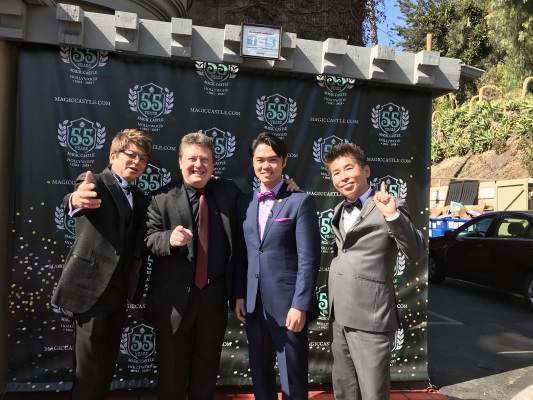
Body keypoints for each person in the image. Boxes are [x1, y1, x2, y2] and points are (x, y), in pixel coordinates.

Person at [52, 128, 153, 400]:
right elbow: (73, 201)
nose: (136, 161)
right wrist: (75, 200)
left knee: (107, 369)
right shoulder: (95, 182)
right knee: (88, 373)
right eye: (131, 154)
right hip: (89, 292)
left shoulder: (140, 198)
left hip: (119, 295)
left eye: (143, 158)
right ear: (113, 155)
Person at [323, 142, 426, 400]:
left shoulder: (389, 204)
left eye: (349, 168)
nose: (343, 177)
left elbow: (415, 251)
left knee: (373, 392)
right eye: (336, 172)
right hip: (339, 314)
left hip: (370, 316)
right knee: (344, 389)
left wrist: (392, 216)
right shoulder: (338, 210)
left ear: (366, 170)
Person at [234, 132, 321, 400]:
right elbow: (242, 254)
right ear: (252, 162)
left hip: (288, 306)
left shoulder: (300, 201)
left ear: (284, 162)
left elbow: (309, 259)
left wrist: (300, 305)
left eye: (273, 159)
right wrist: (239, 295)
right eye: (259, 160)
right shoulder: (244, 202)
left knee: (293, 378)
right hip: (253, 305)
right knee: (260, 375)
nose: (266, 165)